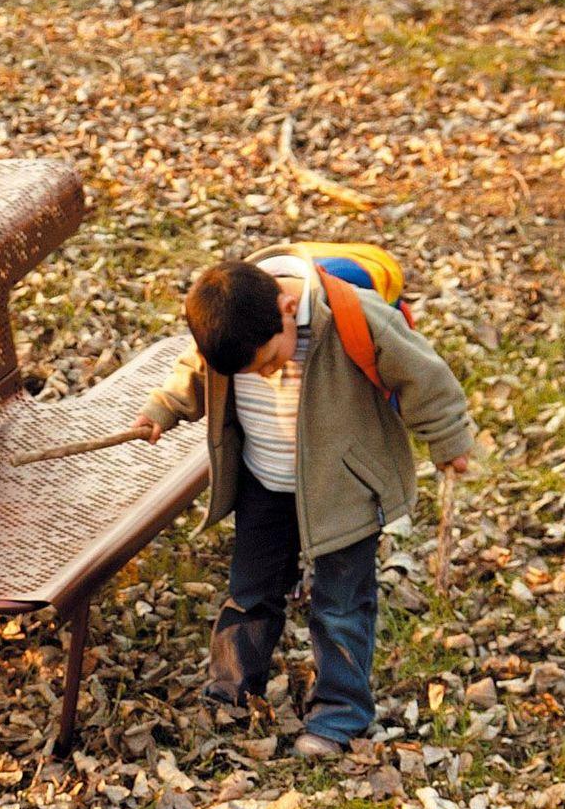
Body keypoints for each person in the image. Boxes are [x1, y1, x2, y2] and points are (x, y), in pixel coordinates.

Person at [131, 249, 475, 756]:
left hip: (344, 489)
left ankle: (340, 715)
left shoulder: (353, 316)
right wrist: (163, 408)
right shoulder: (233, 326)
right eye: (254, 370)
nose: (267, 373)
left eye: (271, 360)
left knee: (341, 604)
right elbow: (195, 370)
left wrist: (449, 440)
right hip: (263, 483)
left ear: (289, 308)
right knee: (249, 592)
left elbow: (423, 375)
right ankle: (230, 691)